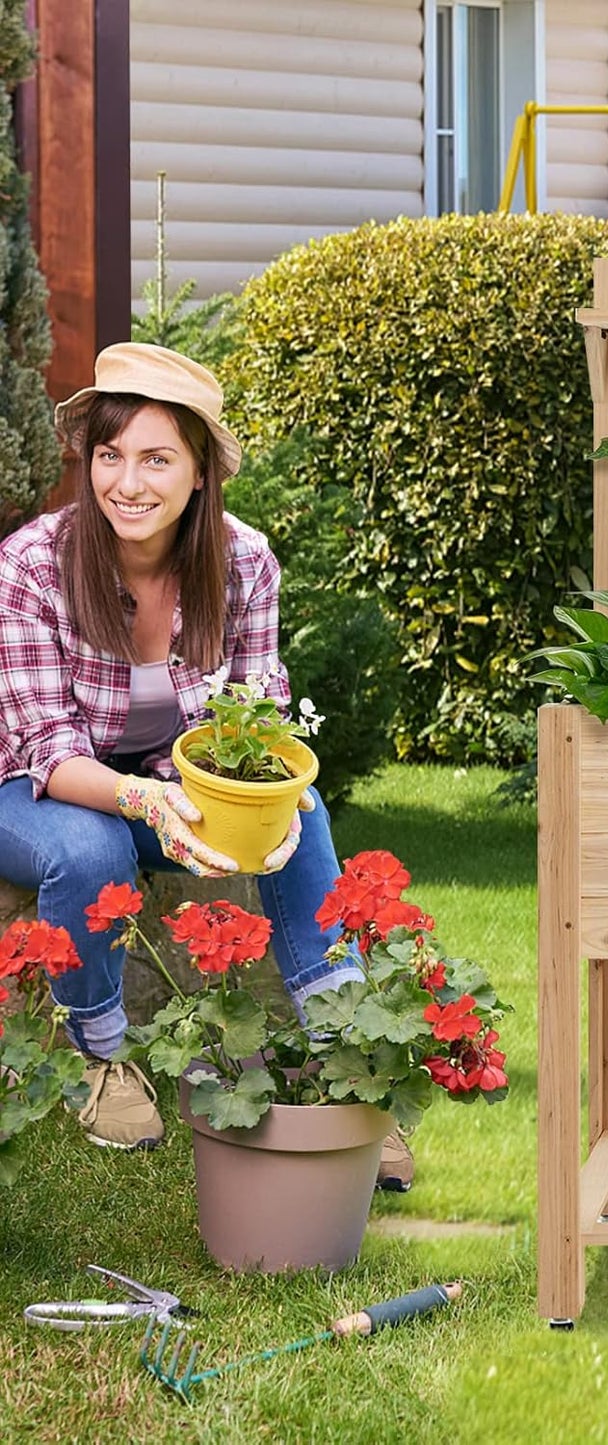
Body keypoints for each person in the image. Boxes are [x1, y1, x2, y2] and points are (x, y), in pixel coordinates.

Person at [0, 343, 412, 1189]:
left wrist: (260, 792)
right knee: (90, 848)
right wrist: (145, 801)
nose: (128, 483)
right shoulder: (33, 564)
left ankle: (347, 1061)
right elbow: (48, 748)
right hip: (30, 791)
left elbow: (256, 719)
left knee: (301, 813)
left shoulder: (245, 561)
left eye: (157, 458)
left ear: (199, 473)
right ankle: (99, 1055)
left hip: (171, 784)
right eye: (110, 456)